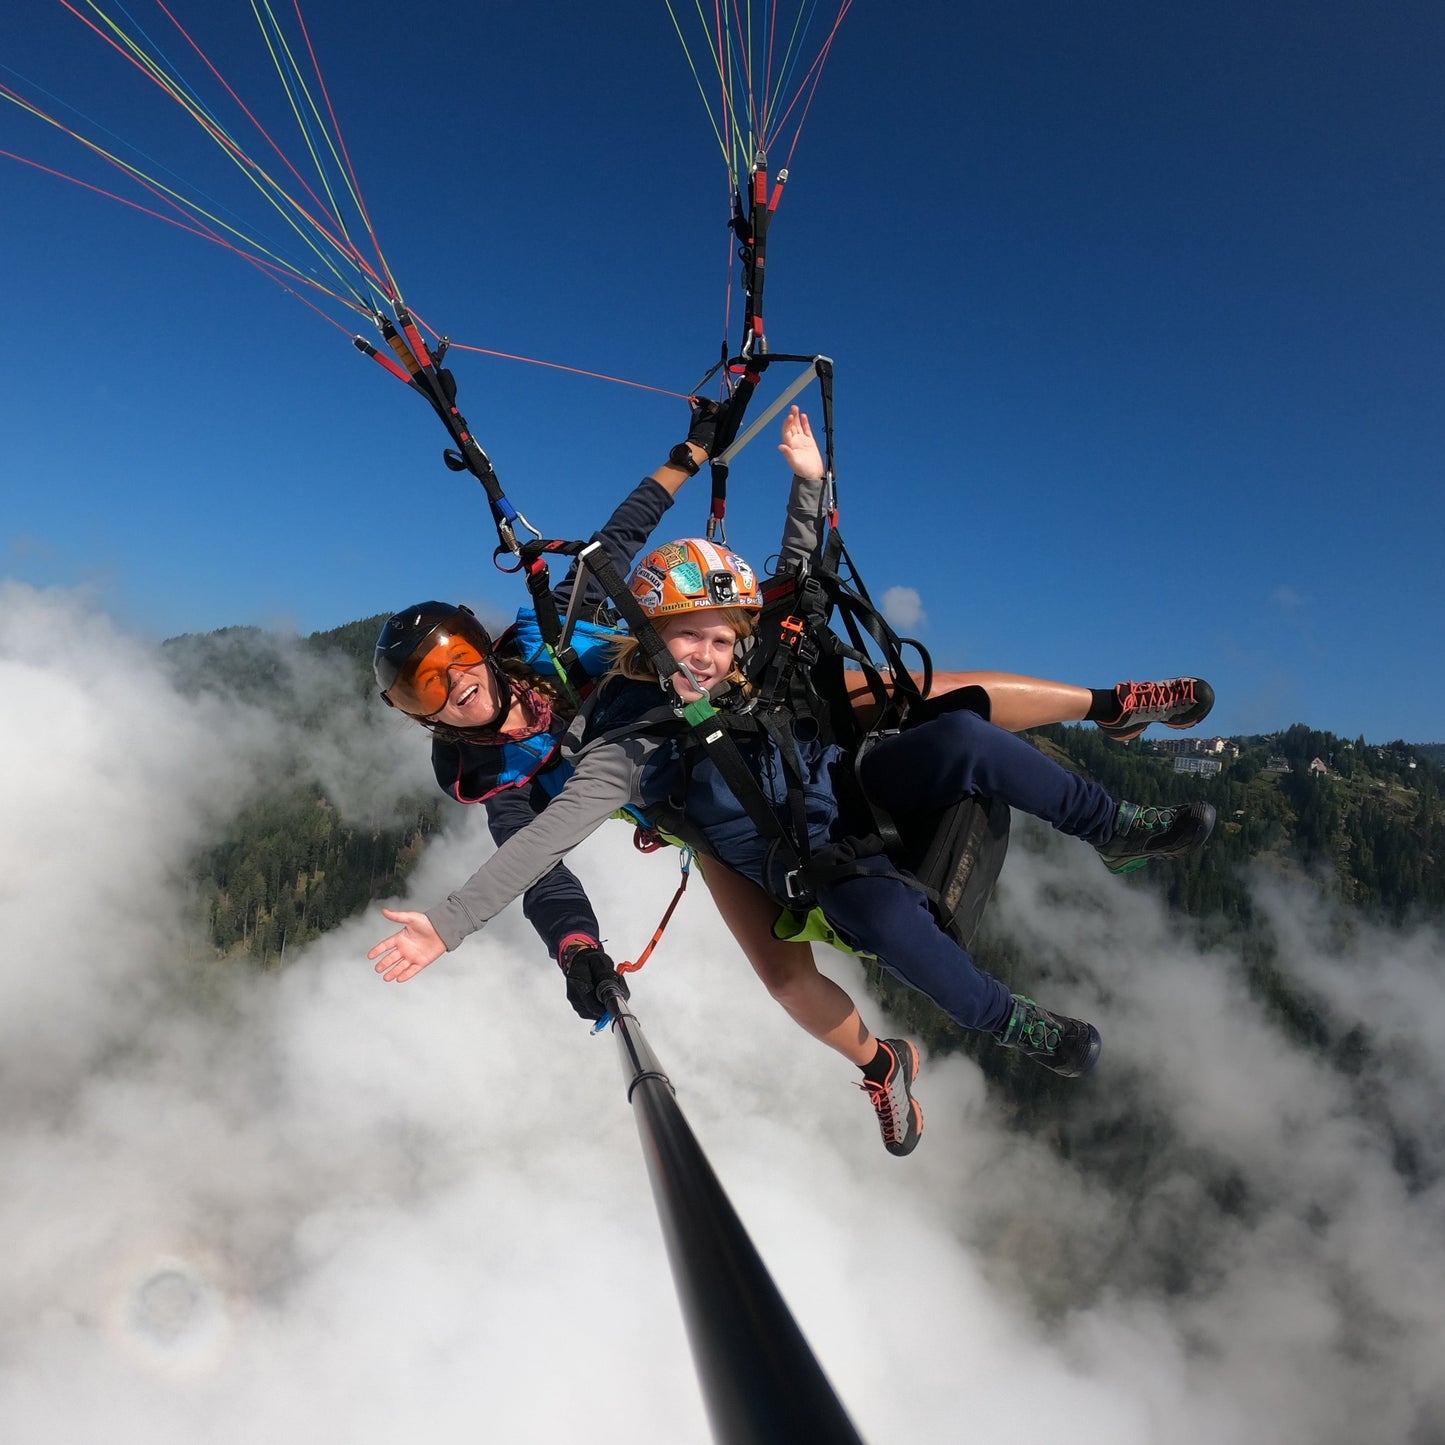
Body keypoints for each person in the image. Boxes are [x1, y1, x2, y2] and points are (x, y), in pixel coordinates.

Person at [368, 406, 1218, 1155]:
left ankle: (1111, 770)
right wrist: (529, 940)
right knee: (787, 973)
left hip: (778, 741)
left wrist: (698, 457)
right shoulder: (528, 771)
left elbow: (652, 547)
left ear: (480, 648)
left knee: (929, 704)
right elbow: (542, 855)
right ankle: (884, 1064)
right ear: (417, 714)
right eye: (425, 689)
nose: (453, 689)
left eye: (454, 665)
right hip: (702, 807)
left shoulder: (561, 632)